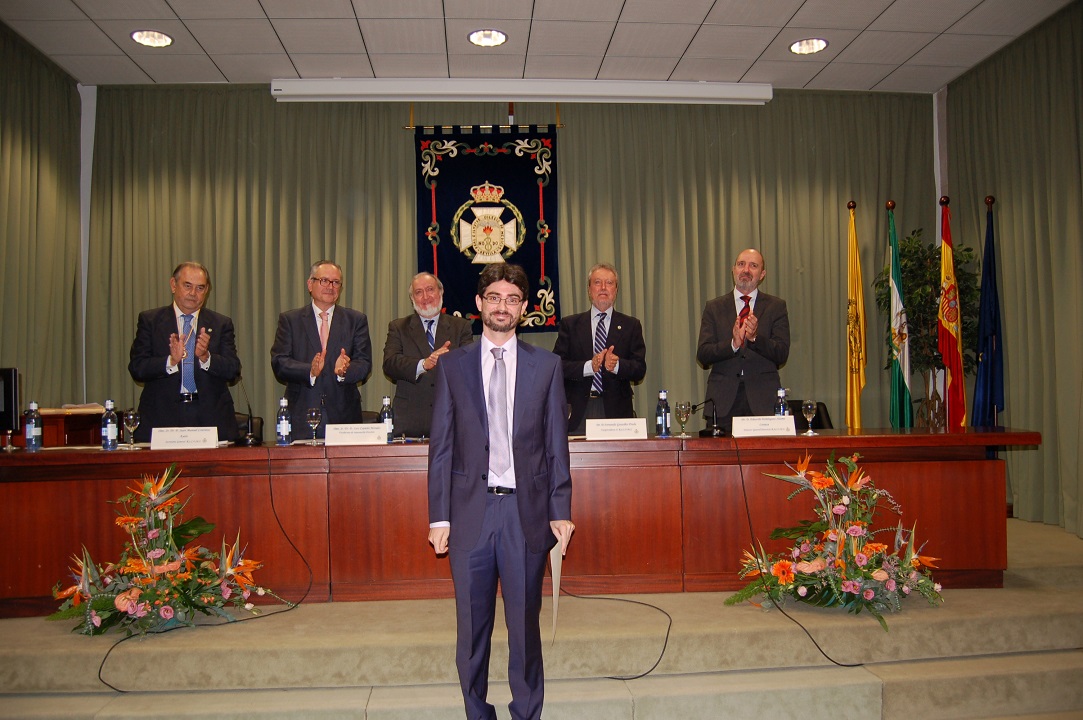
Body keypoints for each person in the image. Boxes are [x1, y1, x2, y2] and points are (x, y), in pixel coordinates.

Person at [427, 263, 574, 720]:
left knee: (524, 629)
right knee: (472, 630)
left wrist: (560, 509)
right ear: (479, 304)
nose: (502, 306)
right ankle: (477, 711)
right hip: (470, 514)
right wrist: (439, 517)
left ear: (524, 309)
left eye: (512, 299)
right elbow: (442, 448)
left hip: (523, 516)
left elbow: (555, 445)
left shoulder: (546, 366)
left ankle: (526, 712)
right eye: (494, 297)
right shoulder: (452, 366)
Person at [128, 262, 241, 442]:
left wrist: (206, 357)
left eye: (200, 288)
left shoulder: (220, 323)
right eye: (187, 286)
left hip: (210, 416)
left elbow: (233, 370)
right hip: (162, 416)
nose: (193, 293)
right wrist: (170, 361)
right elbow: (137, 368)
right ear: (173, 285)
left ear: (207, 290)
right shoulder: (150, 321)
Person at [270, 260, 372, 439]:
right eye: (324, 280)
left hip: (344, 416)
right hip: (302, 414)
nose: (330, 286)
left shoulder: (355, 320)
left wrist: (344, 371)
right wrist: (309, 370)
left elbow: (364, 364)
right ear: (310, 284)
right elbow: (280, 362)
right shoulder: (290, 320)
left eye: (336, 282)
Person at [696, 248, 790, 433]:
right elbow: (703, 354)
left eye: (753, 266)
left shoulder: (776, 307)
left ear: (762, 274)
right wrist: (733, 344)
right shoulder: (714, 307)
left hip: (763, 401)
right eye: (741, 264)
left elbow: (781, 354)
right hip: (723, 403)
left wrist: (755, 338)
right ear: (733, 270)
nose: (746, 270)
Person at [552, 263, 647, 434]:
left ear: (616, 290)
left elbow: (639, 369)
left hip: (617, 414)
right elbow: (557, 366)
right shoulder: (570, 324)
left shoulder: (631, 325)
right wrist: (589, 367)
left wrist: (616, 365)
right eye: (597, 282)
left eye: (609, 283)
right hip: (578, 412)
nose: (603, 288)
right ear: (589, 289)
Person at [382, 272, 474, 437]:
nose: (425, 297)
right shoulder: (398, 327)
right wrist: (423, 364)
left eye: (430, 290)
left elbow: (469, 367)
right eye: (418, 292)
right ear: (412, 299)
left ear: (440, 292)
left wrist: (447, 361)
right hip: (410, 421)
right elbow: (390, 364)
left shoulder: (461, 327)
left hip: (451, 418)